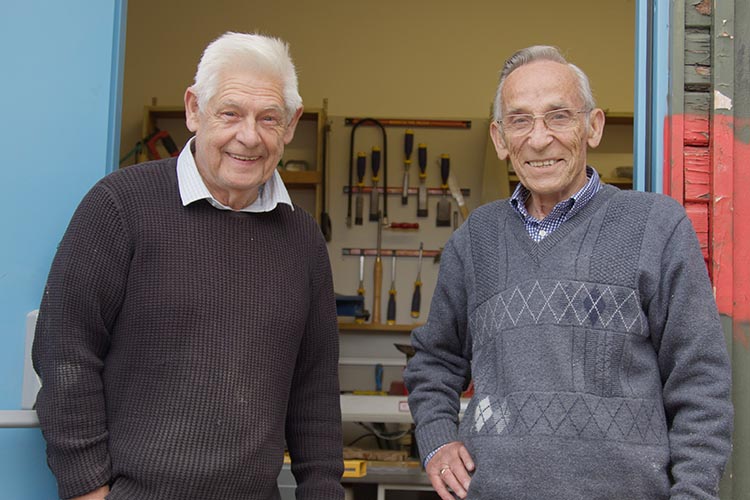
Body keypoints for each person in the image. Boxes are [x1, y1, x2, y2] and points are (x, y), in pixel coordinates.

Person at [404, 45, 733, 500]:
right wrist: (437, 439)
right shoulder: (475, 238)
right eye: (520, 121)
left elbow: (700, 381)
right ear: (500, 139)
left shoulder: (656, 226)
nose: (539, 139)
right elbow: (434, 361)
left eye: (558, 116)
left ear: (592, 126)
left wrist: (693, 493)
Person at [32, 32, 344, 500]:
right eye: (230, 113)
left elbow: (315, 389)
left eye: (268, 118)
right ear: (194, 109)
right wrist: (88, 490)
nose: (249, 136)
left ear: (292, 124)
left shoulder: (302, 240)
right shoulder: (119, 207)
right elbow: (65, 354)